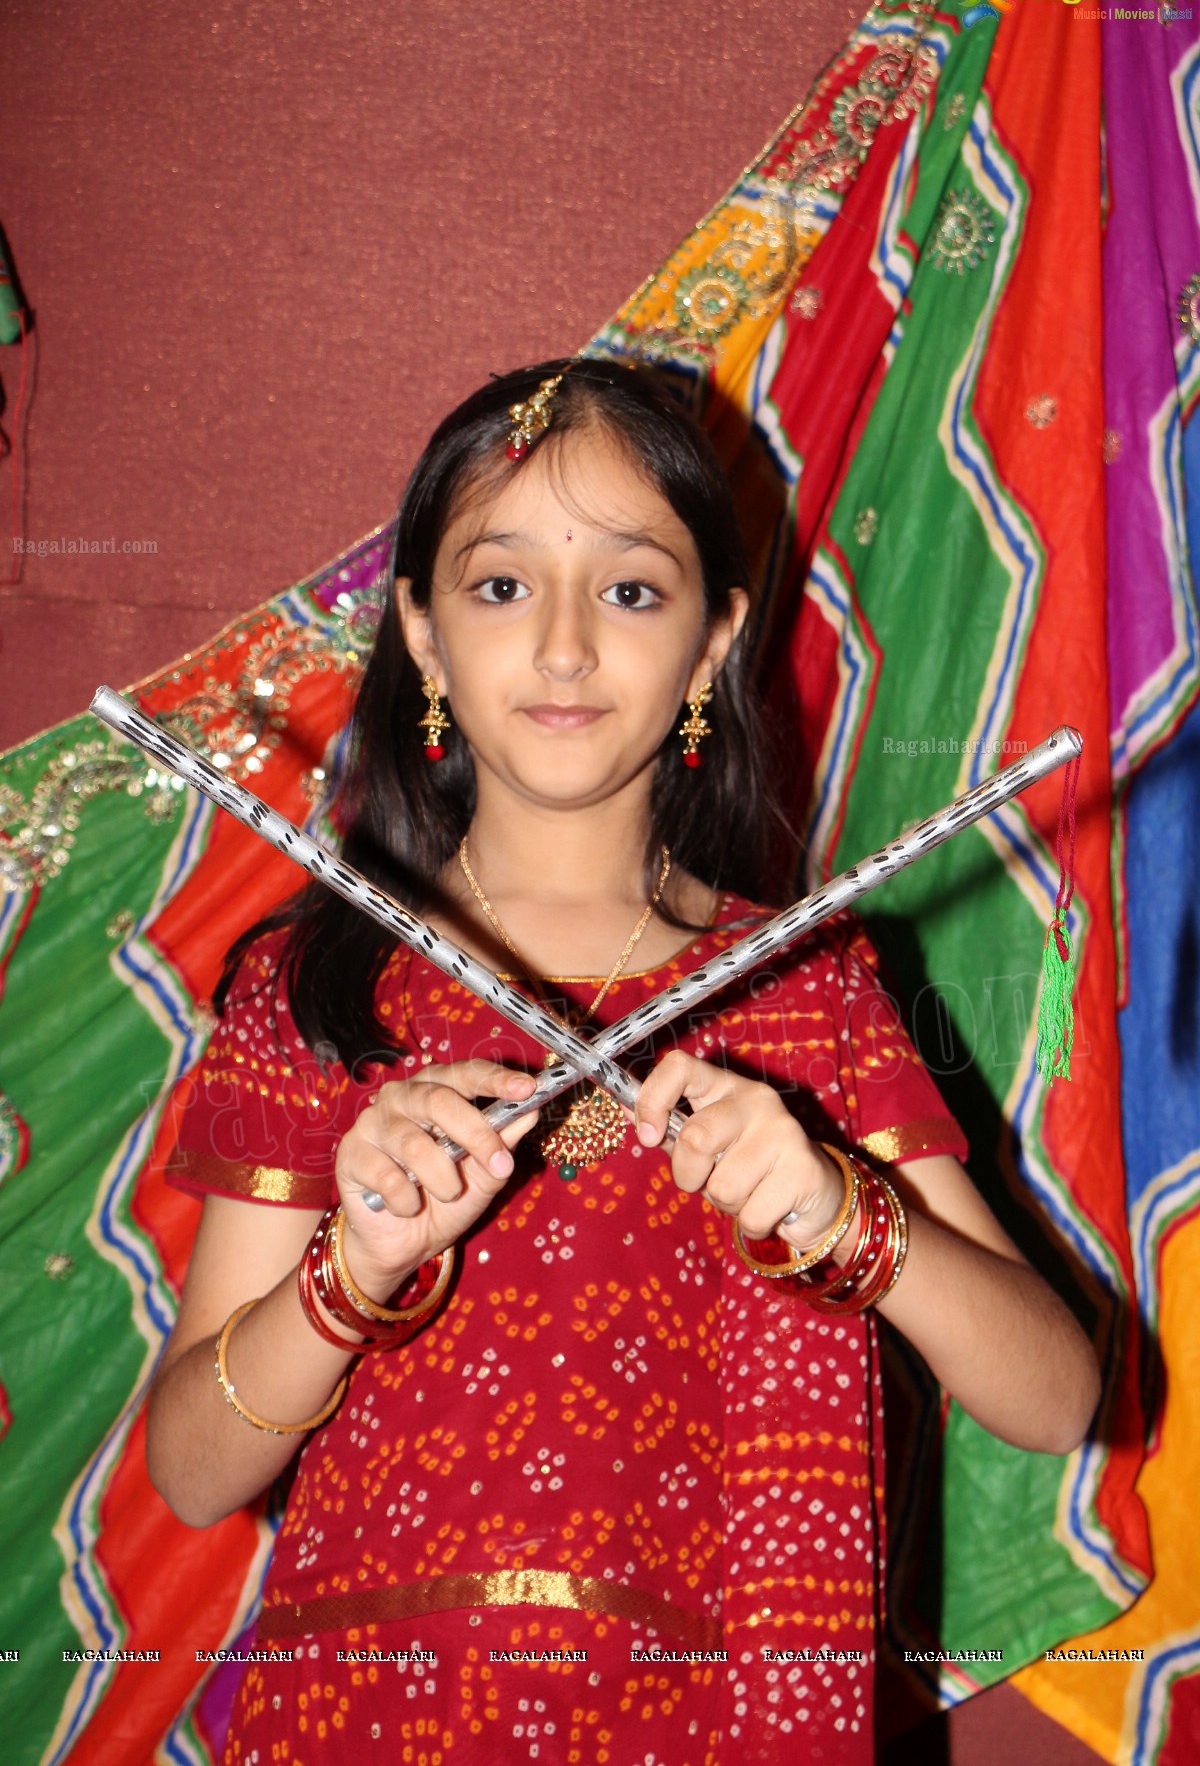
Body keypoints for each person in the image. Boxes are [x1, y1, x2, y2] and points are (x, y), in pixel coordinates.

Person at [147, 357, 1100, 1765]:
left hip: (721, 1726)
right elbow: (190, 1466)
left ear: (716, 640)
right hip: (371, 1718)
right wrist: (354, 1271)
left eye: (633, 590)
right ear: (418, 628)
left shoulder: (804, 986)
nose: (567, 647)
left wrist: (846, 1217)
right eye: (502, 584)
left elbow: (1056, 1396)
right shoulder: (324, 984)